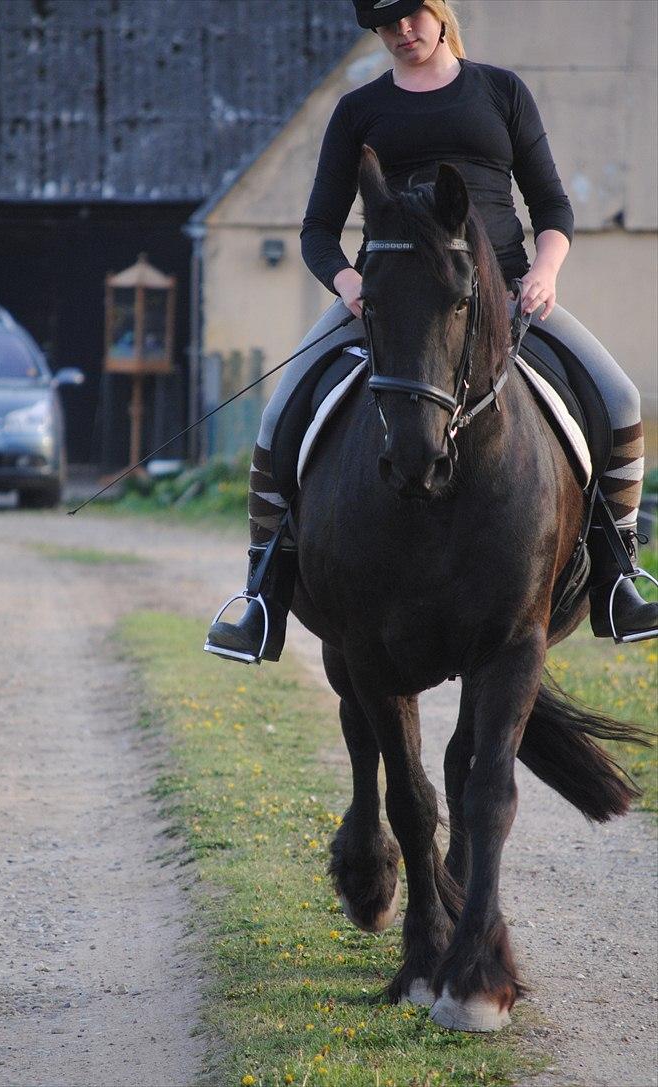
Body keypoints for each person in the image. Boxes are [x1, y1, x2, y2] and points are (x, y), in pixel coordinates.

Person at [205, 0, 657, 662]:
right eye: (385, 24)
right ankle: (263, 596)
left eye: (411, 14)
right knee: (278, 416)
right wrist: (348, 283)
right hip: (385, 297)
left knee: (619, 398)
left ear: (438, 11)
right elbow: (317, 230)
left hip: (503, 291)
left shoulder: (500, 92)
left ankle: (619, 577)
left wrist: (546, 271)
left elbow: (552, 206)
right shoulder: (358, 110)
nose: (401, 31)